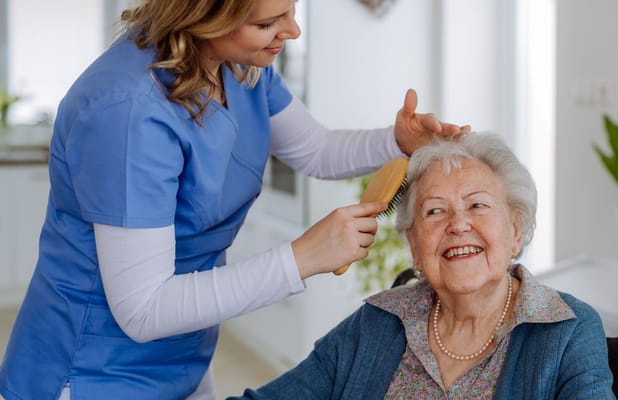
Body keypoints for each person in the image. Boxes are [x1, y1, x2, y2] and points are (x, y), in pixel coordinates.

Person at [0, 1, 469, 399]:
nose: (292, 30)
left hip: (184, 353)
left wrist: (396, 140)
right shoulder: (125, 112)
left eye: (291, 10)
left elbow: (316, 149)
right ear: (205, 16)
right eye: (268, 23)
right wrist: (302, 258)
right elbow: (144, 310)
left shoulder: (240, 65)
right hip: (91, 371)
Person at [227, 133, 615, 399]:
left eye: (478, 205)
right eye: (435, 211)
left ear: (515, 231)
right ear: (414, 246)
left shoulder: (567, 329)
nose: (458, 224)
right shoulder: (377, 323)